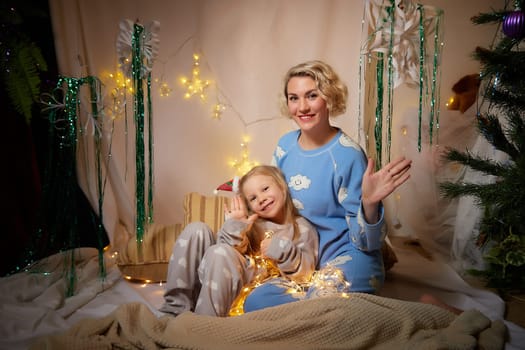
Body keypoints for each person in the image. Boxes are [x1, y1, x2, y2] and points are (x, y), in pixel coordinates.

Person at [244, 60, 412, 312]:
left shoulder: (348, 155)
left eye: (312, 95)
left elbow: (368, 243)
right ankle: (331, 310)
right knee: (256, 302)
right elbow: (275, 207)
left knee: (321, 305)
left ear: (329, 97)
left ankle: (407, 312)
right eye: (294, 98)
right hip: (304, 262)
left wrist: (369, 203)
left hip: (349, 259)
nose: (302, 107)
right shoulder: (285, 146)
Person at [160, 165, 319, 317]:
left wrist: (283, 250)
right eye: (253, 198)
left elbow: (305, 275)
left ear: (282, 187)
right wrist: (235, 225)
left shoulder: (302, 227)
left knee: (220, 252)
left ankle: (204, 323)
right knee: (196, 229)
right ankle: (174, 310)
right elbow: (223, 250)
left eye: (265, 189)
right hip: (211, 283)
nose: (261, 199)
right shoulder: (252, 224)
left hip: (238, 295)